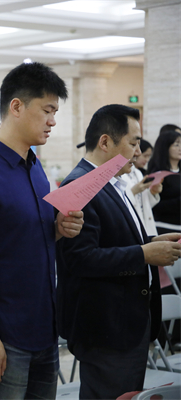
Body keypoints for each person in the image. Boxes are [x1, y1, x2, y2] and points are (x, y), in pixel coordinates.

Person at [0, 62, 84, 400]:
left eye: (55, 112)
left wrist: (58, 229)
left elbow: (23, 237)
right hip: (4, 334)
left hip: (43, 327)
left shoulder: (34, 166)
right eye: (47, 110)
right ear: (16, 107)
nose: (53, 121)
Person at [57, 104, 181, 399]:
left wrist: (154, 240)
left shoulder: (112, 182)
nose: (138, 152)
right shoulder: (79, 185)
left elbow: (115, 238)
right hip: (105, 327)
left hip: (124, 323)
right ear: (105, 142)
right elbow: (80, 258)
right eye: (133, 143)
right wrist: (144, 254)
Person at [121, 138, 161, 236]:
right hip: (130, 225)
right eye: (145, 155)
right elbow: (118, 205)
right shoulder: (119, 174)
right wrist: (133, 191)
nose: (137, 152)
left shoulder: (138, 173)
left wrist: (152, 193)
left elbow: (144, 204)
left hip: (145, 224)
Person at [148, 130, 181, 234]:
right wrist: (177, 202)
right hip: (164, 227)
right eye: (176, 144)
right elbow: (152, 204)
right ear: (165, 147)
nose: (180, 148)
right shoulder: (158, 174)